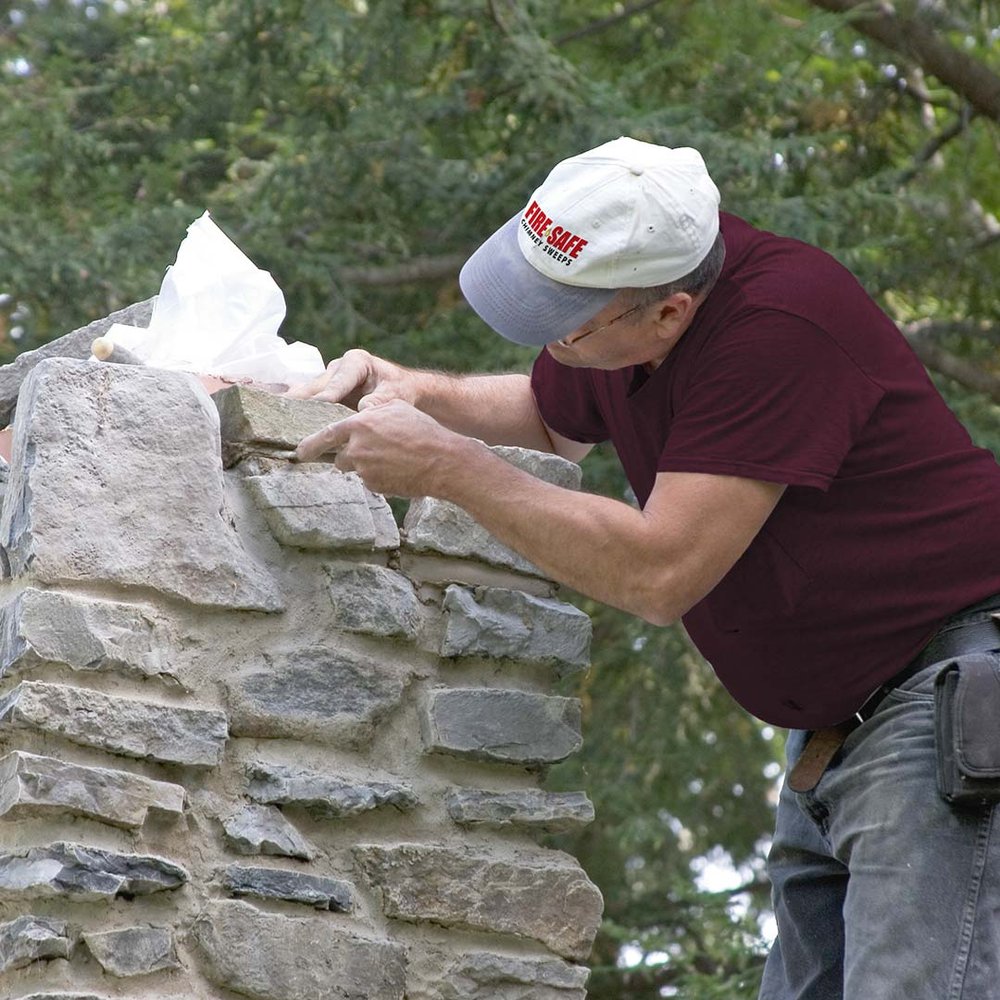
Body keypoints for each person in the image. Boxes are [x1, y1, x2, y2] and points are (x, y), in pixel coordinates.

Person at [288, 136, 1000, 999]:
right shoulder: (652, 291)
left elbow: (660, 573)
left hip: (944, 705)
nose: (552, 342)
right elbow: (552, 418)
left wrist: (446, 466)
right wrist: (413, 389)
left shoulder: (778, 328)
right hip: (842, 735)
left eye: (567, 324)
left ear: (665, 314)